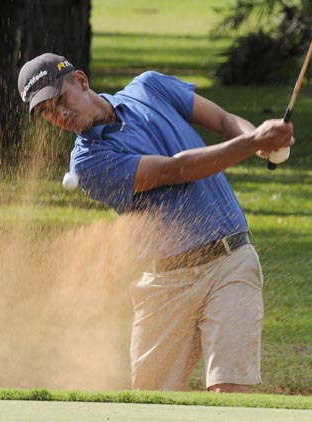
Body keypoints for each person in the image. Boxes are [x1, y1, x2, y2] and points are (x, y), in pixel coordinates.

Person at [17, 53, 294, 393]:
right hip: (166, 283)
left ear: (81, 81)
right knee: (154, 403)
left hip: (230, 263)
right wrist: (252, 142)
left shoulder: (151, 87)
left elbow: (222, 120)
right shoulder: (89, 164)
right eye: (48, 112)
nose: (60, 115)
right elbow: (173, 170)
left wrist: (262, 142)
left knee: (230, 393)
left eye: (60, 100)